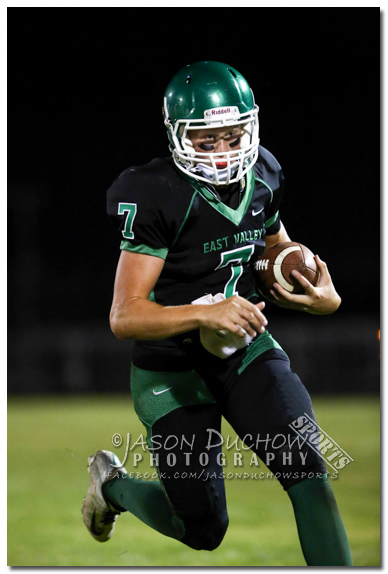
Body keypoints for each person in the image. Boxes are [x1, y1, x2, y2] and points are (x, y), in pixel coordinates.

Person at [82, 61, 352, 566]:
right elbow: (125, 315)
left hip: (246, 352)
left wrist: (322, 293)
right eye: (206, 142)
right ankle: (113, 487)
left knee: (309, 474)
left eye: (232, 137)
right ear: (177, 137)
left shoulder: (264, 173)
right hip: (172, 368)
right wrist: (203, 314)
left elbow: (274, 245)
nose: (224, 154)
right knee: (204, 529)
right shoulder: (156, 193)